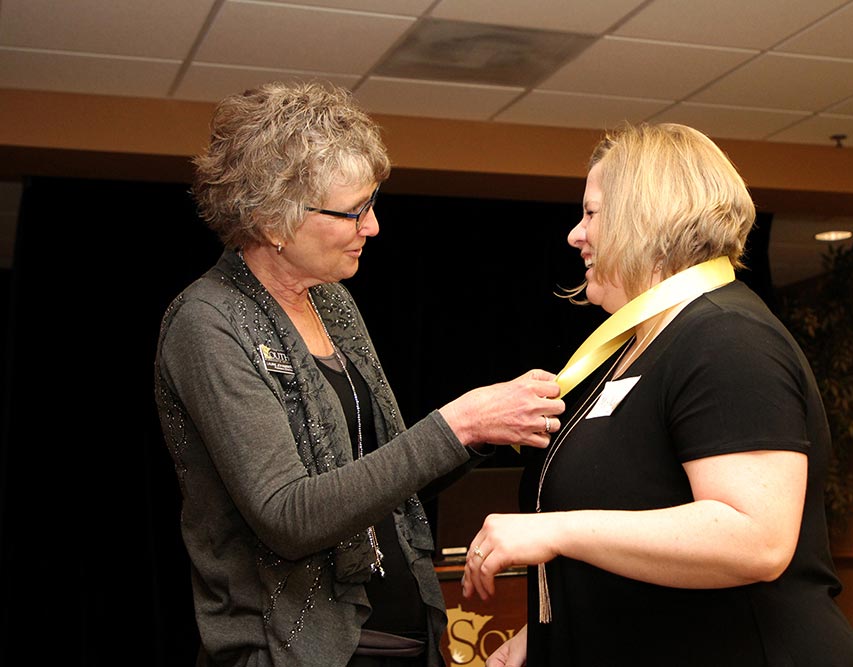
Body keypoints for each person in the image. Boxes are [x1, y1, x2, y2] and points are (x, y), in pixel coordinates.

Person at [153, 80, 565, 667]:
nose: (372, 227)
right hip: (290, 652)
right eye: (354, 211)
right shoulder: (208, 323)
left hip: (404, 638)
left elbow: (385, 479)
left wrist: (485, 428)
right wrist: (457, 424)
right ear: (273, 220)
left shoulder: (332, 303)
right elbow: (289, 517)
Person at [462, 123, 853, 666]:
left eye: (591, 213)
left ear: (643, 217)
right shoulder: (645, 345)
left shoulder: (727, 336)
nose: (574, 235)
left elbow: (756, 539)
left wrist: (556, 530)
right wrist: (550, 636)